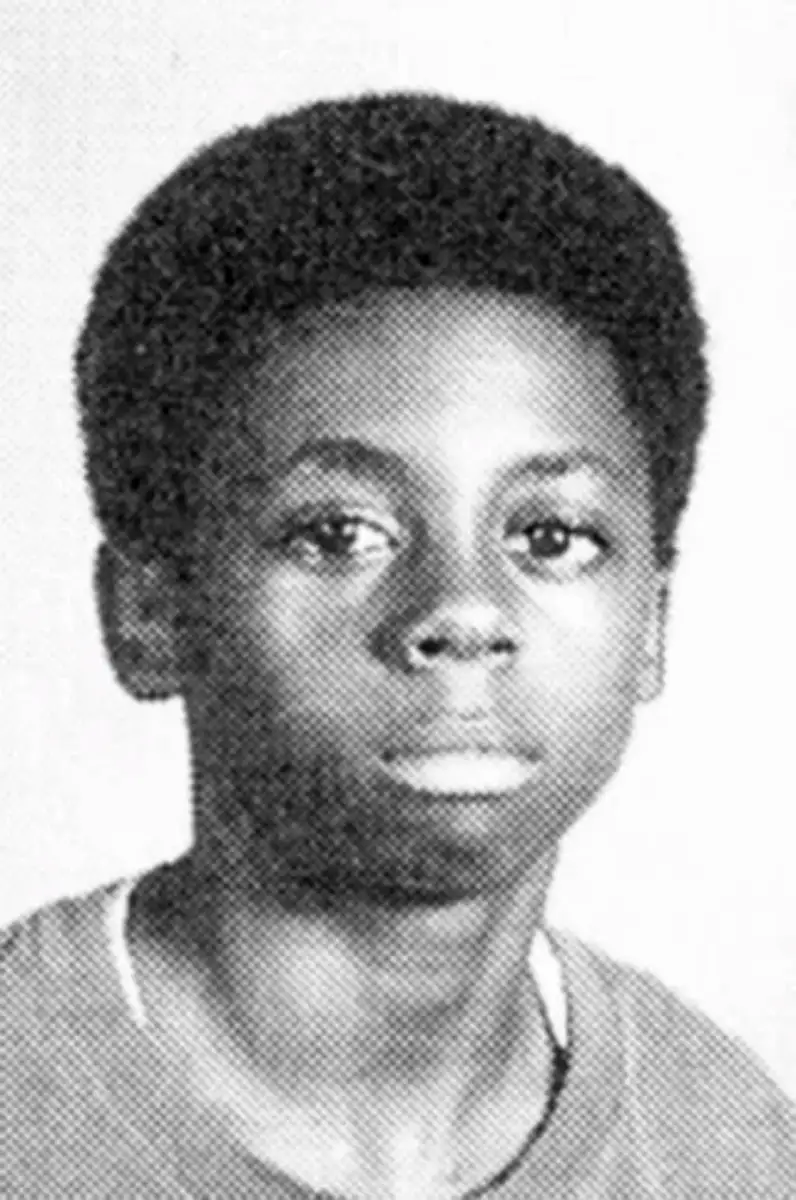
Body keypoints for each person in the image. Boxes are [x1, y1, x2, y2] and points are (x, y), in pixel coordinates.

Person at [2, 91, 794, 1199]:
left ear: (652, 622)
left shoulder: (725, 1142)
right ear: (150, 611)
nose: (462, 609)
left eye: (551, 536)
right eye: (338, 533)